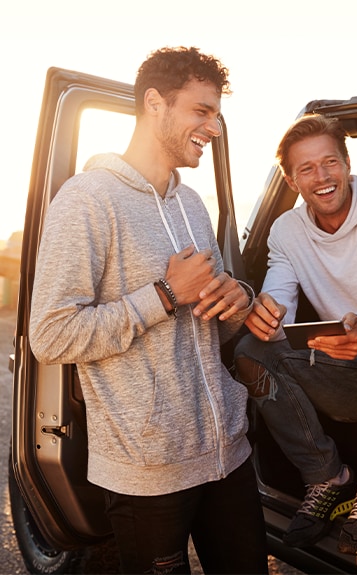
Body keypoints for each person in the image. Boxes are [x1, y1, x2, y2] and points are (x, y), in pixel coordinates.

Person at [29, 46, 268, 575]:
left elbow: (214, 320)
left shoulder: (191, 204)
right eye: (202, 111)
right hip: (148, 471)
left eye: (218, 113)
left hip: (226, 454)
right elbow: (50, 335)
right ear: (155, 104)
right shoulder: (87, 200)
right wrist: (162, 295)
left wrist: (238, 298)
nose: (216, 126)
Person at [234, 113, 357, 555]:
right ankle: (326, 476)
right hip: (336, 367)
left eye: (330, 163)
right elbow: (280, 291)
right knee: (251, 349)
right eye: (306, 169)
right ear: (291, 179)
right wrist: (266, 310)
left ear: (346, 163)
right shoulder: (287, 229)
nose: (321, 177)